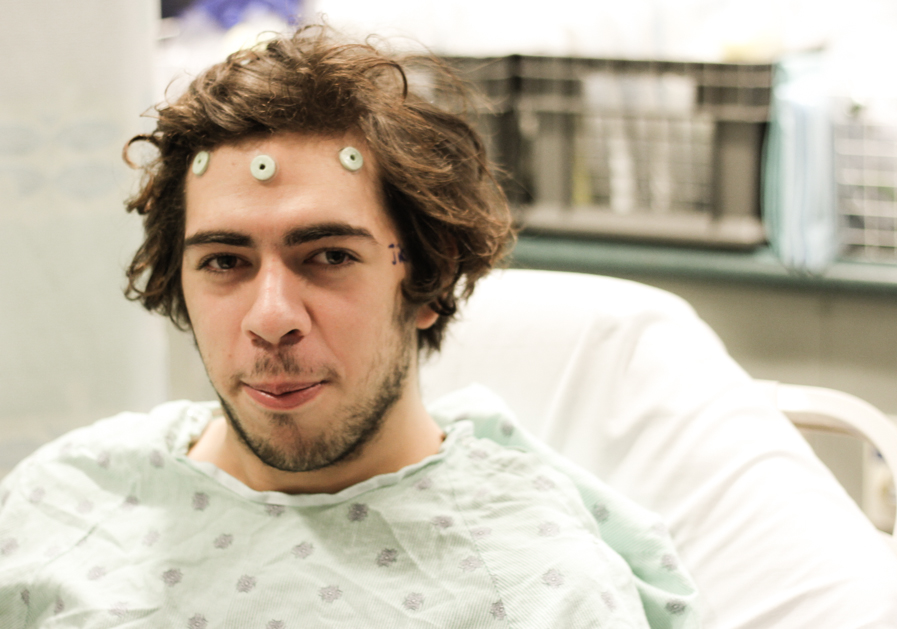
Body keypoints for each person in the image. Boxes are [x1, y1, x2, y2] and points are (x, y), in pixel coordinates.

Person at [0, 26, 698, 627]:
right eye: (224, 261)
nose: (271, 318)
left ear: (426, 278)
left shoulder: (536, 589)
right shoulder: (66, 502)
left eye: (330, 256)